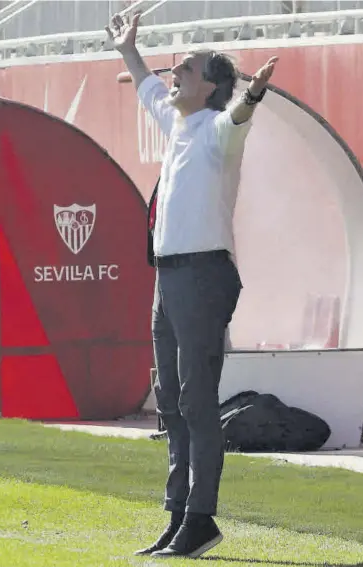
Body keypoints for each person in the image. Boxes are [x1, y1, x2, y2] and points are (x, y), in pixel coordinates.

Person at [106, 12, 278, 559]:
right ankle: (179, 513)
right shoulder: (177, 120)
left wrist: (252, 97)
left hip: (203, 274)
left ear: (212, 88)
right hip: (171, 275)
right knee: (173, 405)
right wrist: (128, 49)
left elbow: (240, 118)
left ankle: (201, 518)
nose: (174, 69)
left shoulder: (219, 128)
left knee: (195, 401)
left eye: (188, 66)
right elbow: (146, 84)